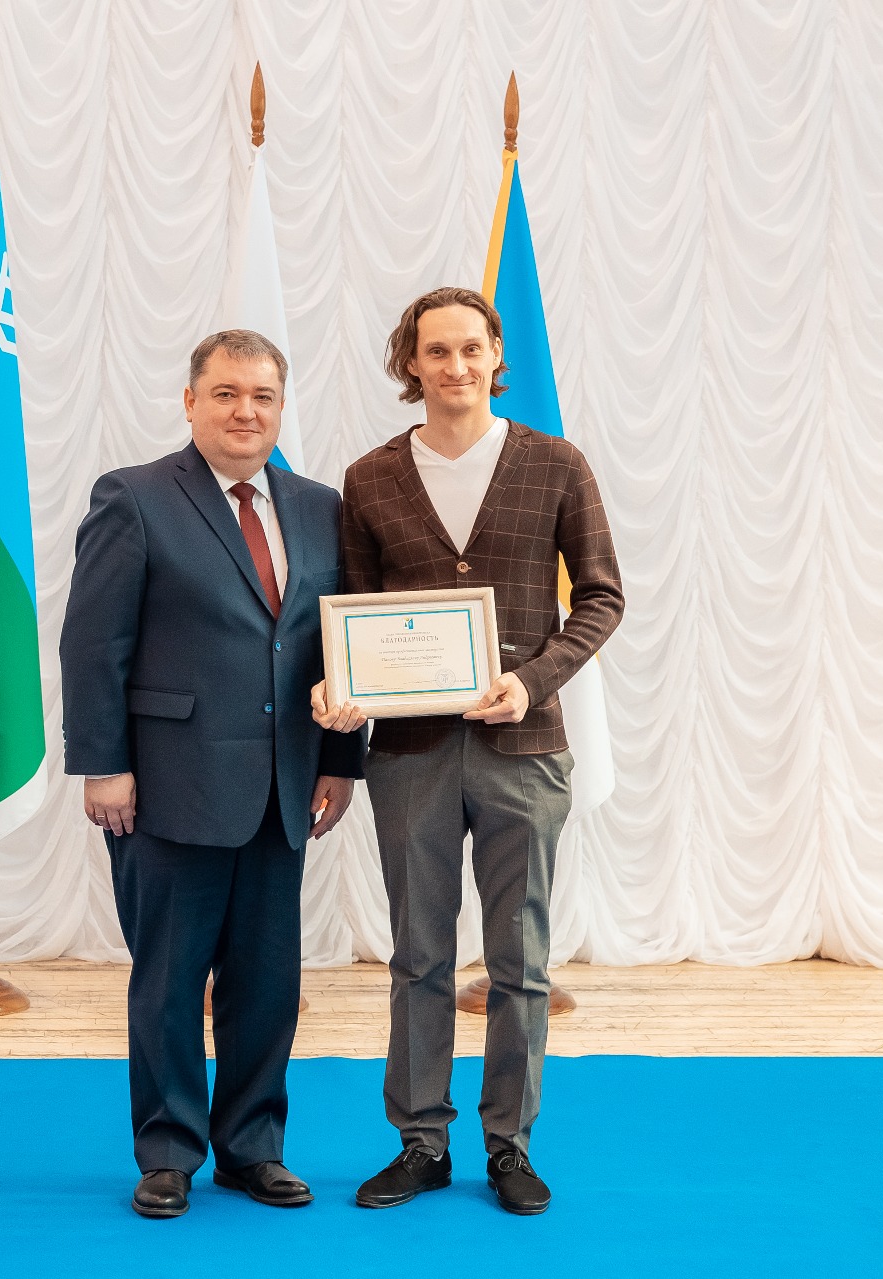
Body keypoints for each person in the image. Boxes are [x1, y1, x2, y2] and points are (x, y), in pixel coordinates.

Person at [314, 287, 624, 1215]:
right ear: (410, 364)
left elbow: (602, 597)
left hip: (523, 745)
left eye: (470, 348)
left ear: (497, 358)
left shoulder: (557, 464)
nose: (455, 366)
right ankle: (420, 1142)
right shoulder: (370, 478)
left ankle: (510, 1145)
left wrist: (533, 679)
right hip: (408, 752)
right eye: (436, 351)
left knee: (518, 959)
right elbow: (354, 612)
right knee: (417, 953)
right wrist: (342, 688)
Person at [60, 329, 363, 1219]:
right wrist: (104, 763)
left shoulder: (320, 506)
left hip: (284, 789)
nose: (245, 411)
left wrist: (341, 760)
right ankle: (168, 1153)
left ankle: (251, 1148)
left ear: (282, 407)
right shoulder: (134, 497)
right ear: (190, 402)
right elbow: (93, 643)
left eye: (262, 395)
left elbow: (338, 642)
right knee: (168, 980)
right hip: (167, 786)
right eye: (226, 393)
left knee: (268, 984)